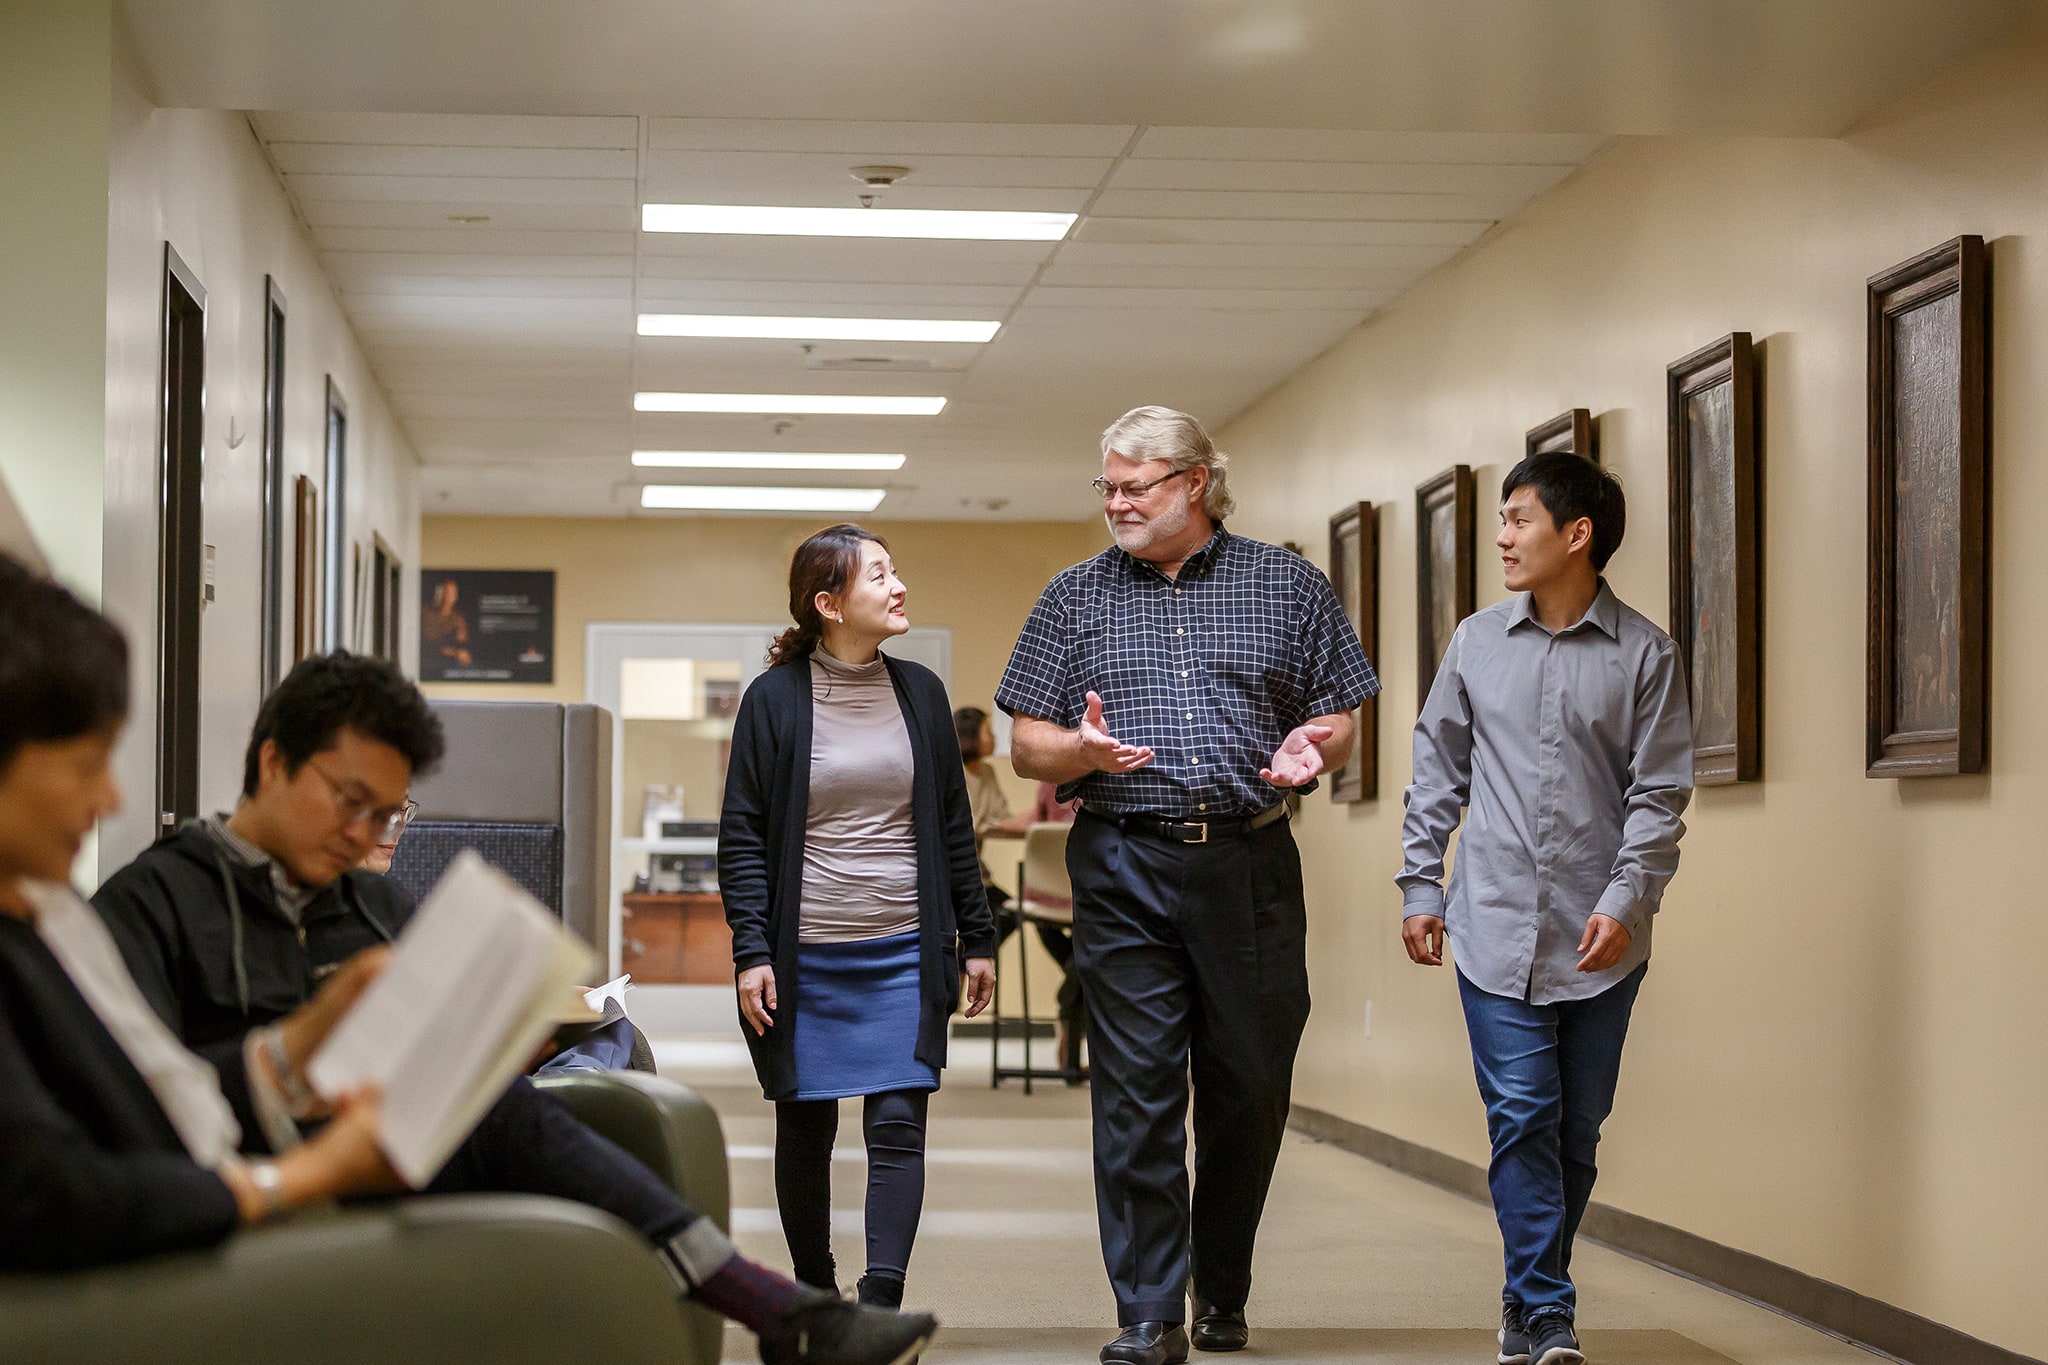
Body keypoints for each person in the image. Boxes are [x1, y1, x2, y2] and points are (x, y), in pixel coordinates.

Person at [61, 620, 929, 1364]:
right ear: (273, 761)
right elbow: (137, 1099)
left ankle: (779, 1309)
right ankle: (780, 1310)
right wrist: (300, 1052)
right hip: (262, 1160)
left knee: (510, 1099)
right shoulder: (155, 901)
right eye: (350, 802)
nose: (367, 834)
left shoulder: (372, 902)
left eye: (389, 815)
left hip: (405, 1144)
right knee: (508, 1117)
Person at [997, 406, 1379, 1365]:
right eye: (1109, 487)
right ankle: (1149, 1309)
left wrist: (1315, 747)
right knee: (1135, 1090)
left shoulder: (1286, 583)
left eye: (1138, 486)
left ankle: (1224, 1286)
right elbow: (1025, 741)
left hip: (1248, 862)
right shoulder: (1073, 595)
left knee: (1249, 1082)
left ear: (1197, 482)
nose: (1118, 503)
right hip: (1121, 858)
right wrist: (1074, 748)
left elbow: (1341, 719)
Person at [1397, 453, 1692, 1365]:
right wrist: (1419, 883)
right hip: (1489, 921)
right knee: (1522, 1110)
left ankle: (1528, 1296)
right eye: (1500, 518)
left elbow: (1660, 795)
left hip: (1602, 934)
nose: (1502, 537)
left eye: (1519, 519)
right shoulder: (1476, 642)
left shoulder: (1647, 653)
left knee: (1576, 1126)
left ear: (1577, 534)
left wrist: (1625, 897)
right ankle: (1549, 1308)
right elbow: (1436, 768)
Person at [720, 525, 998, 1311]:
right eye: (880, 574)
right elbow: (741, 833)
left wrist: (976, 937)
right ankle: (814, 1291)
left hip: (906, 949)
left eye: (896, 568)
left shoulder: (922, 692)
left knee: (900, 1124)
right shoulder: (773, 700)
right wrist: (751, 949)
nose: (899, 583)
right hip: (804, 955)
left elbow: (951, 824)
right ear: (829, 602)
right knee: (806, 1133)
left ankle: (879, 1302)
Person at [955, 705, 1086, 1079]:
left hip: (987, 875)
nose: (994, 737)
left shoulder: (989, 774)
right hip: (964, 874)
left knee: (1001, 916)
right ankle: (965, 966)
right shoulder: (957, 774)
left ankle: (1069, 1007)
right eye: (986, 731)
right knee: (997, 916)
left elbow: (998, 822)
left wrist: (1035, 826)